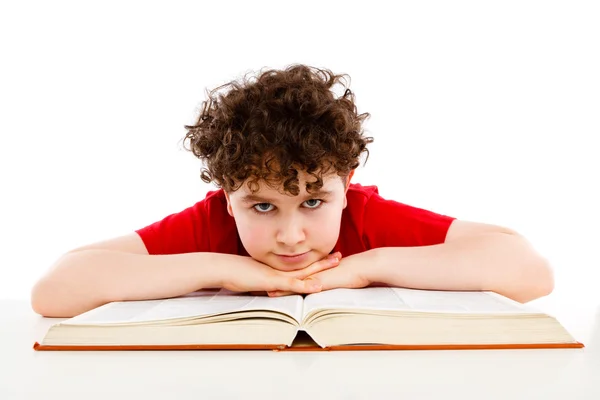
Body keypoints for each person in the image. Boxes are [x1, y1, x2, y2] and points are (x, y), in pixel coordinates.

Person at [31, 64, 554, 317]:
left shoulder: (364, 216)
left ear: (346, 185)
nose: (290, 235)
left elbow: (528, 272)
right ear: (227, 193)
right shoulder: (215, 222)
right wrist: (230, 268)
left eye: (312, 201)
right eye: (261, 206)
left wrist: (361, 268)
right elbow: (55, 291)